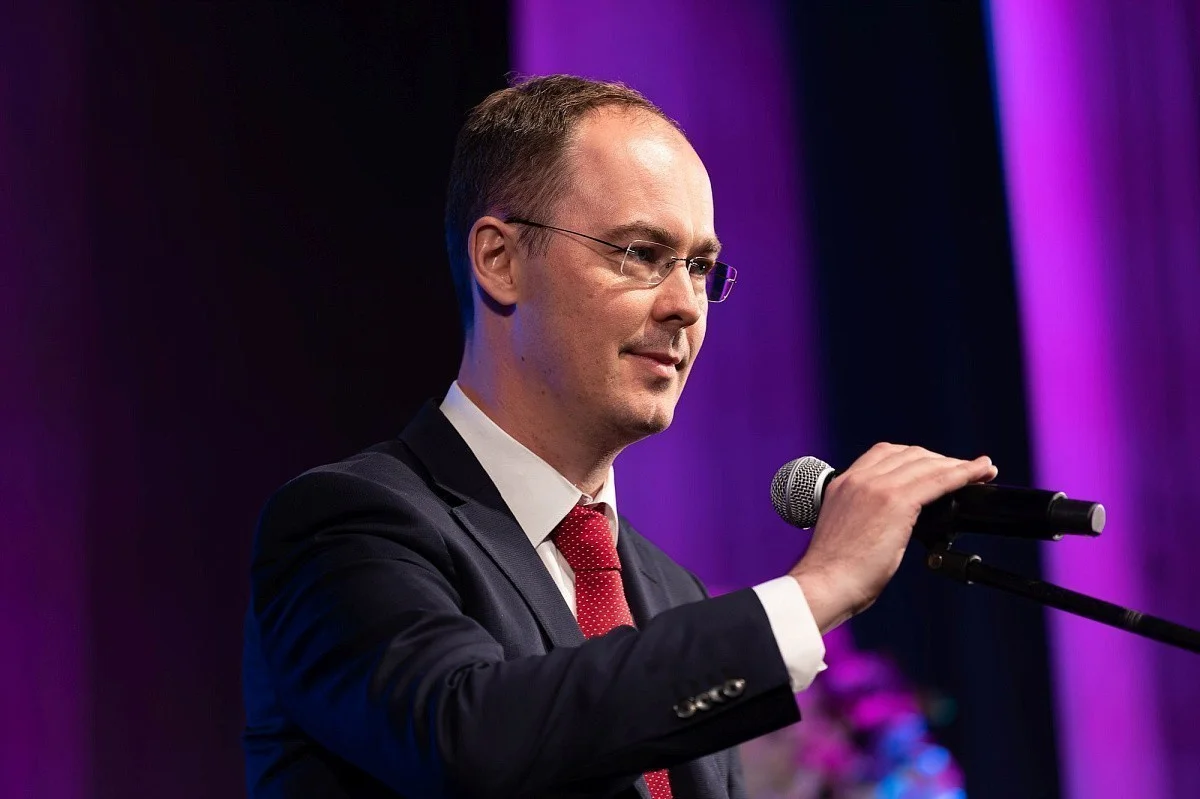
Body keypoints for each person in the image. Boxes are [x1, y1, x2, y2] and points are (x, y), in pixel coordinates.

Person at [241, 74, 997, 799]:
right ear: (499, 260)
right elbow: (466, 738)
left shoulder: (670, 592)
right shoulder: (348, 525)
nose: (686, 305)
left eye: (700, 267)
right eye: (640, 254)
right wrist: (818, 588)